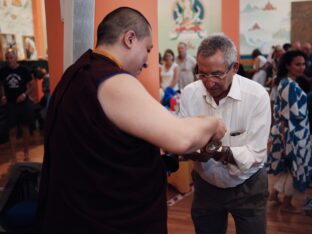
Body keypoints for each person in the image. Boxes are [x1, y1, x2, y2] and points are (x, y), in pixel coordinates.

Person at [36, 7, 226, 234]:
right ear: (129, 38)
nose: (147, 62)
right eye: (147, 49)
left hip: (73, 211)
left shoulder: (75, 72)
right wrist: (213, 122)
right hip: (106, 220)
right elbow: (181, 138)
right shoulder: (112, 80)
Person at [179, 34, 271, 234]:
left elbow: (256, 153)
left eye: (217, 74)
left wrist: (214, 150)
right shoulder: (189, 93)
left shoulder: (256, 96)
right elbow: (184, 138)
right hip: (206, 186)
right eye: (202, 74)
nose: (209, 82)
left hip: (249, 185)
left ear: (235, 68)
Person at [266, 50, 312, 213]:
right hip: (293, 134)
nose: (302, 67)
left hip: (295, 132)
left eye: (303, 64)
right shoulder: (289, 85)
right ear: (287, 66)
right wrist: (286, 141)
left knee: (289, 167)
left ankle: (275, 195)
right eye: (297, 64)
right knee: (295, 167)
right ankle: (286, 204)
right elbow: (286, 117)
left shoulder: (288, 83)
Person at [0, 49, 33, 163]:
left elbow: (31, 86)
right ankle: (13, 156)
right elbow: (2, 85)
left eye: (11, 58)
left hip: (23, 103)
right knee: (12, 130)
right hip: (10, 104)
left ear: (16, 58)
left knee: (25, 128)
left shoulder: (24, 70)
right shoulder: (3, 71)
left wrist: (24, 94)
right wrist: (3, 96)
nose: (9, 60)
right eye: (7, 58)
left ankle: (26, 153)